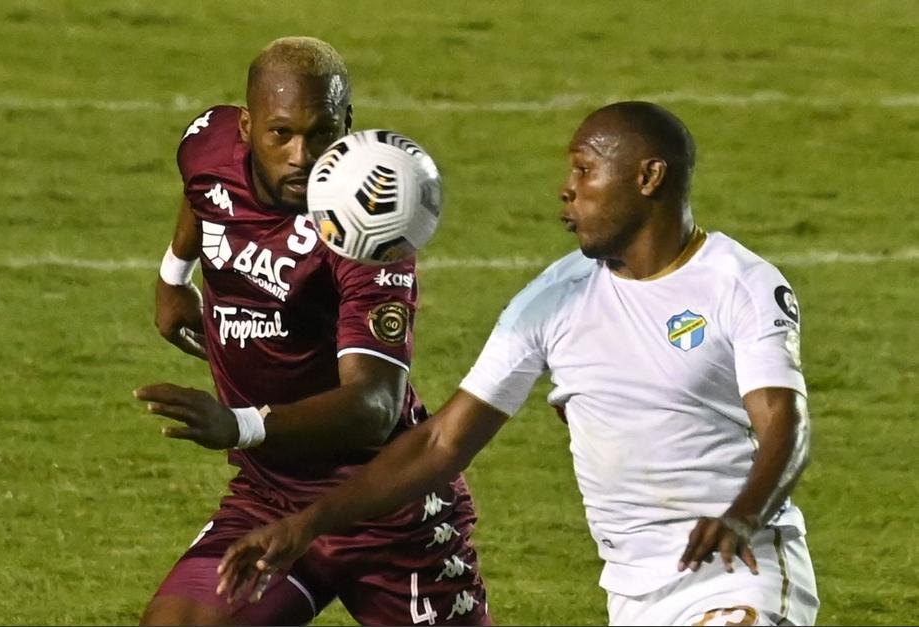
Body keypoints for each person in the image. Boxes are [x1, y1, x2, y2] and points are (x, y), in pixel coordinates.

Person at [211, 101, 821, 626]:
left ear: (648, 177)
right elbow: (441, 443)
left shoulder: (739, 284)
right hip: (634, 591)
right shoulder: (553, 300)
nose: (567, 187)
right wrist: (307, 525)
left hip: (741, 573)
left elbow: (784, 425)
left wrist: (743, 517)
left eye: (585, 170)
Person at [134, 36, 491, 626]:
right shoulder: (209, 142)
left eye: (321, 133)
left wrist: (239, 425)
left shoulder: (367, 231)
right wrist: (174, 275)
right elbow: (202, 189)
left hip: (383, 506)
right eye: (281, 134)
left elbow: (375, 405)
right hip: (270, 495)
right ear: (246, 128)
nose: (302, 155)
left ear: (345, 125)